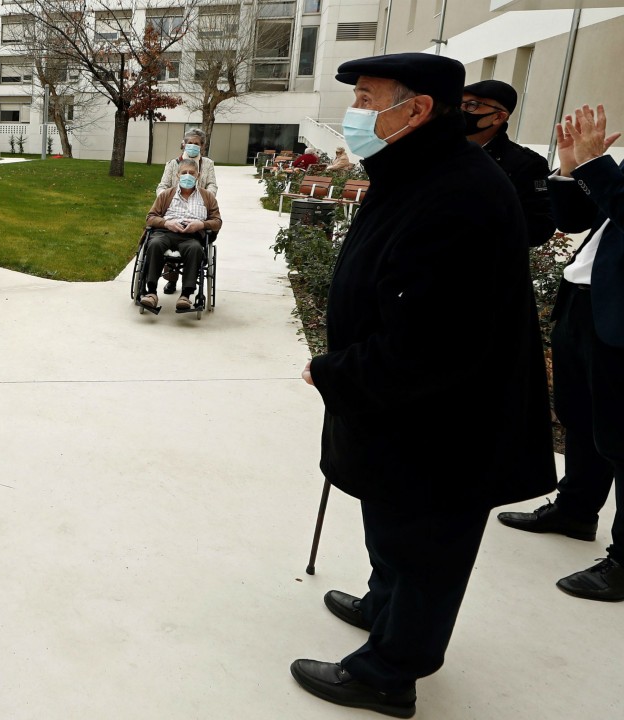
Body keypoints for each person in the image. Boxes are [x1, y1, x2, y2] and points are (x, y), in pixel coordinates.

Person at [290, 53, 555, 718]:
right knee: (391, 521)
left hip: (445, 423)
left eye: (366, 98)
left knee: (427, 545)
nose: (354, 112)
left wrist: (336, 372)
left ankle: (390, 670)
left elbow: (433, 342)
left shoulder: (459, 194)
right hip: (401, 412)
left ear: (417, 109)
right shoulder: (415, 168)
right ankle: (385, 607)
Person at [496, 104, 624, 602]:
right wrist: (571, 171)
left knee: (621, 437)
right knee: (580, 415)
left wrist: (597, 167)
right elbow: (577, 222)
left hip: (617, 313)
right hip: (586, 302)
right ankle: (575, 511)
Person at [461, 79, 555, 247]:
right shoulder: (435, 151)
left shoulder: (527, 165)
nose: (460, 111)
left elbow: (539, 228)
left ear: (498, 117)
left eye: (472, 105)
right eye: (457, 104)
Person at [138, 158, 222, 313]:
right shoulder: (166, 195)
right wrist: (166, 223)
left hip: (191, 236)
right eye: (184, 173)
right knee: (154, 244)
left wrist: (201, 225)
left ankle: (185, 295)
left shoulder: (207, 197)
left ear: (198, 176)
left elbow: (217, 221)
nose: (187, 176)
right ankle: (151, 292)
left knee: (195, 249)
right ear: (177, 175)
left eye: (192, 173)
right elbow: (150, 217)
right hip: (165, 233)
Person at [156, 129, 219, 196]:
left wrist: (206, 198)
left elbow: (212, 185)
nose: (192, 146)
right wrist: (166, 198)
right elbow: (163, 186)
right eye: (190, 143)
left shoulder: (208, 163)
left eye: (196, 144)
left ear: (202, 146)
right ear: (184, 144)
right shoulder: (172, 164)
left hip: (200, 201)